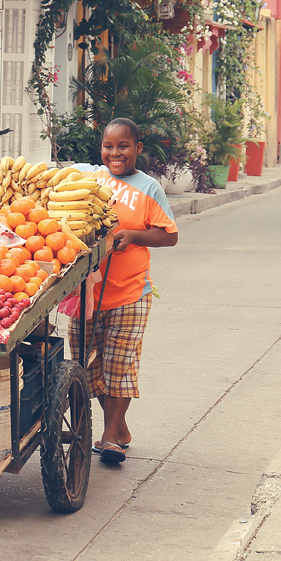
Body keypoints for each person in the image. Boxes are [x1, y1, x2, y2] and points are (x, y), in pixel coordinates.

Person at [69, 117, 178, 465]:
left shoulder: (149, 188)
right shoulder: (89, 180)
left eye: (123, 146)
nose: (115, 153)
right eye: (108, 146)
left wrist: (134, 236)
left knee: (119, 367)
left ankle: (108, 437)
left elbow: (169, 235)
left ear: (137, 149)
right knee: (88, 369)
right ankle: (120, 428)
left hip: (131, 293)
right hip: (86, 294)